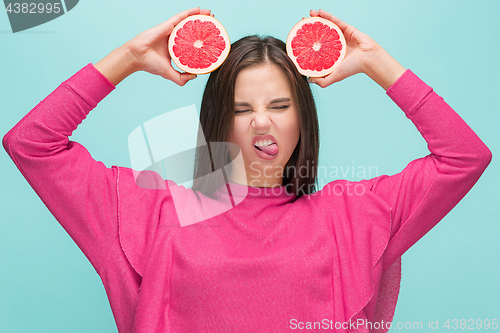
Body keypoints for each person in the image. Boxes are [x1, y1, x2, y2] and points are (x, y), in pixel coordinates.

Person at [2, 6, 491, 333]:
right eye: (241, 109)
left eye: (279, 105)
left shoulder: (352, 214)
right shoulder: (153, 210)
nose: (261, 121)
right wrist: (127, 59)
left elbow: (465, 157)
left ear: (304, 117)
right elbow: (32, 144)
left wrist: (374, 61)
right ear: (217, 121)